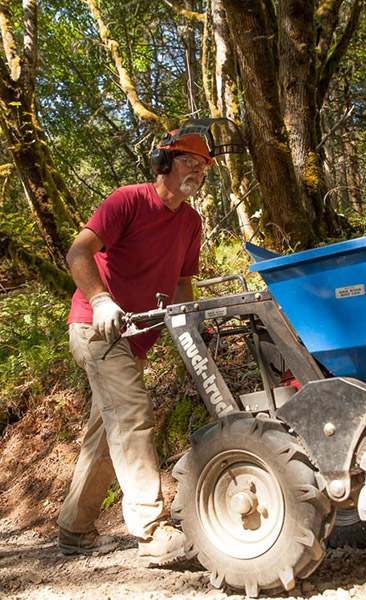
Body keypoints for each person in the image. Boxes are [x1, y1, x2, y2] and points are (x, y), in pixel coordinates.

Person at [57, 128, 214, 565]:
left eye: (203, 166)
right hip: (97, 328)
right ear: (164, 163)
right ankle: (151, 531)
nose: (198, 171)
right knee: (130, 416)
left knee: (106, 436)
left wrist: (191, 327)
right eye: (189, 161)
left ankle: (74, 527)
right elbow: (78, 253)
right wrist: (101, 298)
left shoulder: (191, 222)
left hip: (135, 337)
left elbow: (183, 283)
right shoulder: (128, 200)